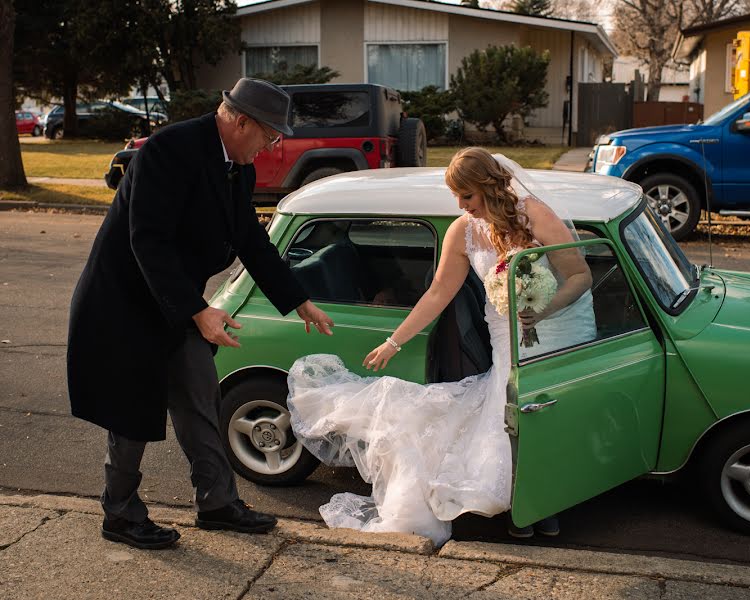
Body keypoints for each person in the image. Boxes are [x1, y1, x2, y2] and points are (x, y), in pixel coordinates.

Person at [67, 78, 334, 550]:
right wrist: (197, 309)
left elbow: (251, 241)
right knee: (131, 412)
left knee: (199, 394)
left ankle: (217, 503)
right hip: (125, 303)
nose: (273, 146)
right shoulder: (170, 150)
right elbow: (147, 241)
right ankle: (121, 513)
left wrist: (298, 298)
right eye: (270, 135)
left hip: (177, 304)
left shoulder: (238, 166)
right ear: (240, 120)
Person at [286, 148, 596, 545]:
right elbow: (437, 293)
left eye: (467, 196)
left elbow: (579, 276)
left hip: (555, 331)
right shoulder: (463, 232)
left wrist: (543, 309)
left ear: (488, 187)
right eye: (457, 197)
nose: (461, 206)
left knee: (550, 415)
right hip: (506, 338)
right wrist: (393, 342)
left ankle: (548, 502)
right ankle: (524, 506)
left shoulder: (535, 214)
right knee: (513, 420)